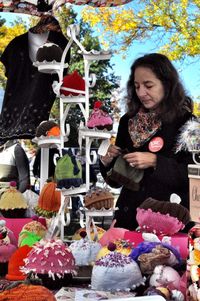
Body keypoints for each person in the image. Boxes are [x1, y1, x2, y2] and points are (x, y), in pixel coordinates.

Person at [99, 53, 194, 231]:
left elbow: (192, 175)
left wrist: (155, 161)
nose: (141, 93)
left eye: (148, 85)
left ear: (167, 84)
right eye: (136, 86)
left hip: (167, 222)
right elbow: (116, 182)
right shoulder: (128, 121)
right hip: (128, 219)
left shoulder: (188, 123)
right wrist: (107, 162)